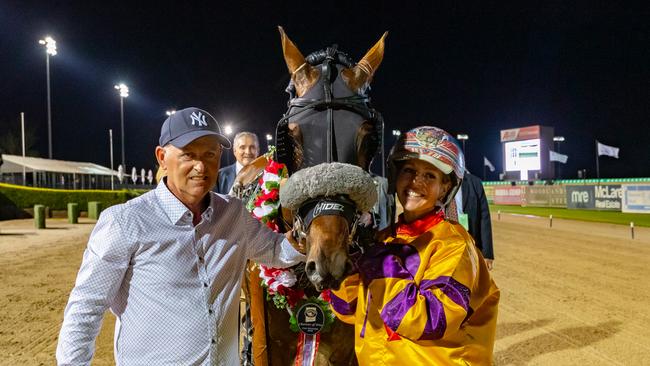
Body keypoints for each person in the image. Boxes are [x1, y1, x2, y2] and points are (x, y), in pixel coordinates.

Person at [56, 107, 304, 365]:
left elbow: (275, 251)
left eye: (210, 154)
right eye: (188, 154)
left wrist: (307, 235)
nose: (200, 166)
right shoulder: (124, 221)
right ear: (162, 157)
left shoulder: (233, 214)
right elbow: (86, 309)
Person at [329, 126, 499, 365]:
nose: (416, 182)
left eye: (430, 175)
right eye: (408, 170)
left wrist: (381, 264)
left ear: (445, 187)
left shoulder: (454, 245)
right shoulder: (383, 239)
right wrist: (345, 267)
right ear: (396, 176)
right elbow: (348, 310)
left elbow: (430, 321)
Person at [459, 171, 495, 269]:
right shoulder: (438, 181)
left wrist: (487, 253)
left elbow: (484, 218)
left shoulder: (475, 182)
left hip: (472, 248)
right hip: (444, 249)